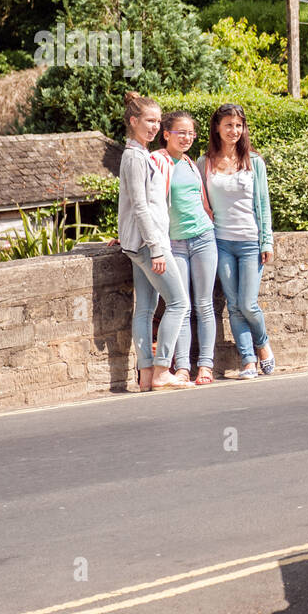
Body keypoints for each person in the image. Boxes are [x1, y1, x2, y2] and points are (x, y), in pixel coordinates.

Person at [118, 92, 190, 391]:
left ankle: (146, 374)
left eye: (158, 122)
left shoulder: (140, 155)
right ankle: (162, 369)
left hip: (140, 243)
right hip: (150, 246)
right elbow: (140, 206)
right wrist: (157, 248)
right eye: (149, 121)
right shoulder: (135, 157)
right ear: (133, 121)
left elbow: (135, 205)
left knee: (146, 309)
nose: (154, 127)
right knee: (179, 303)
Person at [199, 104, 276, 379]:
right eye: (229, 125)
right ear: (217, 128)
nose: (234, 130)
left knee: (248, 304)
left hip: (250, 242)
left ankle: (262, 343)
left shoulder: (254, 161)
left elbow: (263, 204)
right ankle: (247, 361)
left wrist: (267, 241)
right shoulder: (204, 162)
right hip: (220, 242)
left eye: (239, 125)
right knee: (232, 305)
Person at [153, 111, 218, 386]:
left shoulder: (191, 163)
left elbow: (202, 201)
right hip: (175, 243)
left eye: (191, 133)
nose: (187, 138)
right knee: (182, 306)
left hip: (204, 237)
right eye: (181, 132)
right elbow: (144, 200)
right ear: (166, 134)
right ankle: (182, 368)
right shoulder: (158, 161)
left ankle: (205, 365)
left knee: (205, 305)